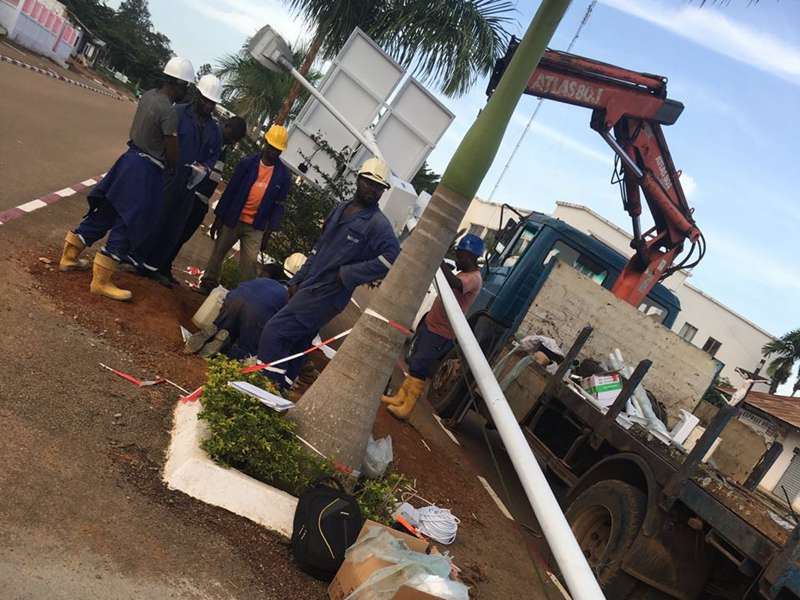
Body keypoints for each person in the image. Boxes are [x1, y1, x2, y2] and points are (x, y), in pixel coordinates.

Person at [58, 56, 195, 301]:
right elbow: (172, 148)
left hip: (128, 160)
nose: (186, 92)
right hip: (146, 170)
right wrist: (174, 167)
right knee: (129, 220)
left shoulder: (148, 96)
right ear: (178, 84)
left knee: (107, 210)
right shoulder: (169, 111)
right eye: (186, 86)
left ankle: (69, 256)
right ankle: (101, 281)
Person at [256, 157, 400, 389]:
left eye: (379, 187)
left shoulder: (378, 225)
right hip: (311, 284)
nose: (373, 189)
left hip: (330, 292)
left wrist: (349, 274)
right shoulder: (342, 208)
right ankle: (280, 386)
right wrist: (297, 279)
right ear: (359, 179)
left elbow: (392, 258)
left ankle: (263, 384)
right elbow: (319, 248)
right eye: (369, 183)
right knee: (299, 339)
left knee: (275, 330)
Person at [135, 74, 226, 286]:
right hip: (167, 177)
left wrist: (202, 169)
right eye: (205, 100)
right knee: (154, 218)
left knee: (173, 227)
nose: (208, 105)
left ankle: (154, 266)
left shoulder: (214, 132)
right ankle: (135, 258)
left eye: (212, 103)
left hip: (189, 186)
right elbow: (161, 140)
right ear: (197, 95)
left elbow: (211, 158)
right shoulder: (177, 113)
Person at [382, 234, 485, 420]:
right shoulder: (465, 272)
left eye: (459, 255)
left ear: (470, 256)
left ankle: (407, 406)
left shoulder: (474, 278)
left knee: (421, 365)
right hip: (431, 323)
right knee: (414, 362)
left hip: (441, 331)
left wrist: (439, 257)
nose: (457, 259)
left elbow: (455, 284)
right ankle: (400, 398)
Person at [198, 124, 292, 294]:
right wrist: (219, 218)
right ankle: (207, 284)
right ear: (266, 144)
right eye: (271, 148)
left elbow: (278, 207)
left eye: (277, 150)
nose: (273, 153)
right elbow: (231, 191)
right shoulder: (247, 163)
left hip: (256, 226)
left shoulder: (283, 176)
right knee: (218, 252)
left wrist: (267, 235)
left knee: (249, 264)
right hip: (233, 218)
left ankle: (243, 295)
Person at [183, 253, 307, 359]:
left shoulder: (264, 281)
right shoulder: (289, 295)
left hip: (234, 298)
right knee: (248, 349)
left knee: (227, 325)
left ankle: (215, 330)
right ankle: (230, 350)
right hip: (257, 311)